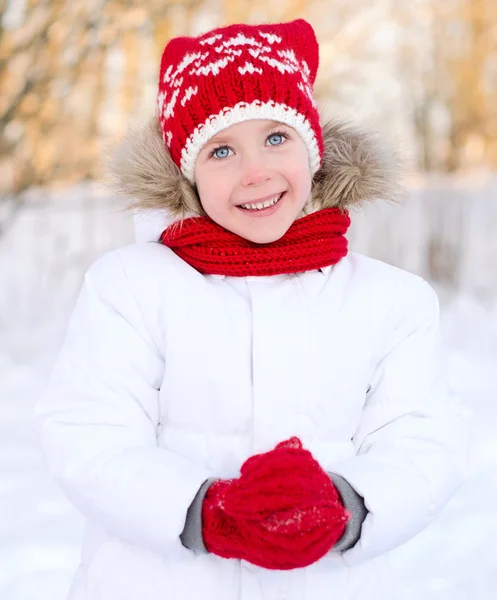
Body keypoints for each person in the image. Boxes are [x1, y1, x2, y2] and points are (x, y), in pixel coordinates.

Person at [34, 19, 471, 600]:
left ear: (312, 150)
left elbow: (422, 442)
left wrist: (348, 507)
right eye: (221, 150)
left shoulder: (392, 302)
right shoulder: (131, 287)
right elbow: (89, 434)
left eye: (275, 138)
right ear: (186, 175)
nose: (255, 171)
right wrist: (204, 511)